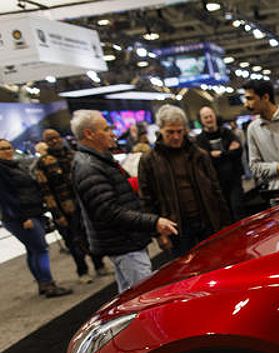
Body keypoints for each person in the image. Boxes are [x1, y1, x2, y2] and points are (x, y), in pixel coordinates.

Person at [70, 110, 178, 293]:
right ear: (89, 134)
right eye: (106, 129)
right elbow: (109, 211)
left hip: (125, 242)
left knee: (130, 296)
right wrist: (153, 222)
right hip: (124, 243)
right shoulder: (90, 167)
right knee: (145, 297)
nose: (112, 133)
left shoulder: (98, 161)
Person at [139, 105, 230, 257]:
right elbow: (146, 200)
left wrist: (225, 223)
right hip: (176, 229)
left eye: (179, 131)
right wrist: (159, 234)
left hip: (207, 221)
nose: (176, 136)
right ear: (160, 130)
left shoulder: (199, 155)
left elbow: (216, 189)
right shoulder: (149, 160)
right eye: (170, 132)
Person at [34, 128, 109, 284]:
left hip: (84, 207)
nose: (54, 141)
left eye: (56, 137)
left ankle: (99, 265)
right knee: (73, 243)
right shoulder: (43, 162)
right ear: (45, 143)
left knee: (91, 238)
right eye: (50, 139)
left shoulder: (74, 155)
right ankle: (82, 272)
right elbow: (46, 192)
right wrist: (57, 214)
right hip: (65, 210)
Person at [0, 138, 72, 297]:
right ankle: (49, 285)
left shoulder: (13, 165)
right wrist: (22, 218)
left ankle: (43, 284)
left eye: (9, 147)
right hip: (23, 217)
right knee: (41, 250)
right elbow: (6, 198)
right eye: (3, 149)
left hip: (30, 213)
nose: (7, 150)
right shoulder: (3, 170)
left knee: (33, 250)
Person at [194, 106, 245, 220]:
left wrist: (218, 154)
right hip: (214, 185)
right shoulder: (199, 140)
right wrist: (227, 152)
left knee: (238, 211)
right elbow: (202, 160)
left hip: (234, 181)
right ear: (201, 120)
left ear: (215, 116)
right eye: (205, 117)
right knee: (224, 215)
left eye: (210, 116)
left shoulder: (227, 133)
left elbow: (238, 152)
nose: (209, 119)